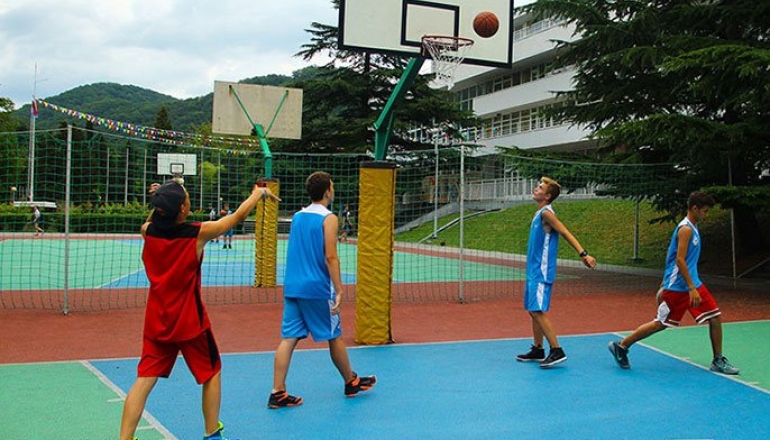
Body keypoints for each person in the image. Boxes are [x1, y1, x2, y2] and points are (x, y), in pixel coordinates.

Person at [119, 180, 280, 440]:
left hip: (157, 322)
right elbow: (238, 216)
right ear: (183, 209)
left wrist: (161, 197)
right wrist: (258, 193)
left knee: (145, 379)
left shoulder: (148, 230)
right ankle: (211, 433)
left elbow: (155, 218)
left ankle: (125, 438)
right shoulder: (197, 233)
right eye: (186, 197)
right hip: (190, 322)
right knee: (212, 372)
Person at [268, 171, 376, 409]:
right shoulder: (329, 218)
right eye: (333, 186)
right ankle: (351, 381)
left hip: (293, 287)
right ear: (327, 190)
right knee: (334, 336)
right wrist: (338, 288)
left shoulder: (297, 216)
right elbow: (330, 256)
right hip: (317, 288)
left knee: (288, 339)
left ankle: (277, 392)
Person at [608, 191, 739, 375]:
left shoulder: (693, 226)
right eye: (705, 211)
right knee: (661, 323)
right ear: (694, 208)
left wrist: (691, 286)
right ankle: (622, 346)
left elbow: (672, 258)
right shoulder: (685, 229)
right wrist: (684, 287)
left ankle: (718, 359)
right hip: (679, 287)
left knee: (715, 317)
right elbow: (679, 260)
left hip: (693, 283)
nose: (706, 215)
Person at [516, 177, 597, 368]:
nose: (536, 189)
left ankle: (556, 350)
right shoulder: (539, 213)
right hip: (533, 270)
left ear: (547, 196)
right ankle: (538, 348)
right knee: (532, 309)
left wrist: (583, 254)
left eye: (541, 188)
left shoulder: (547, 213)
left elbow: (566, 232)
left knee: (536, 310)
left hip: (542, 271)